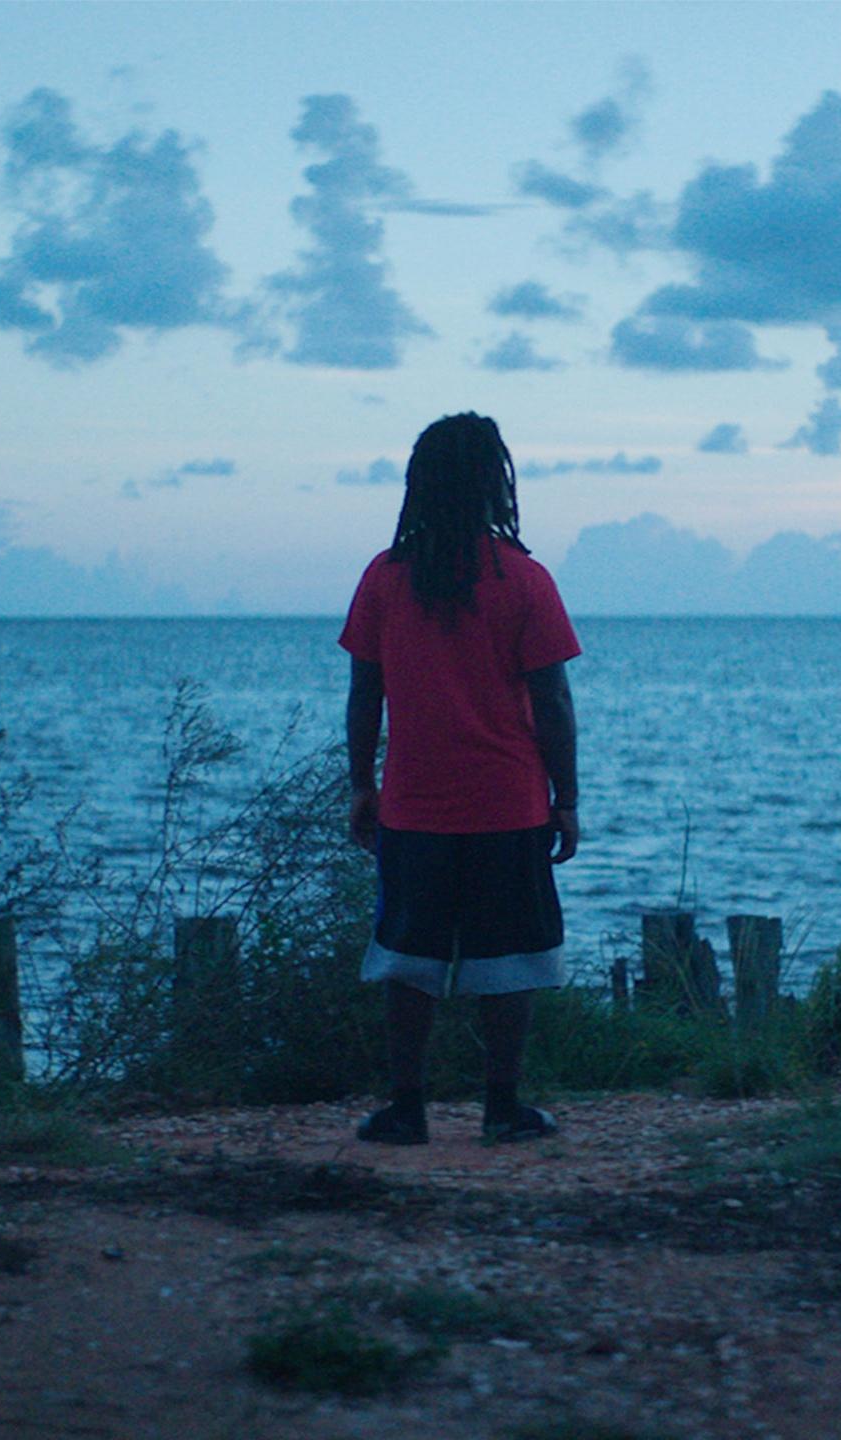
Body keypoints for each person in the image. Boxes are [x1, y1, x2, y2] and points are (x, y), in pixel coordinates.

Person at [338, 411, 581, 1146]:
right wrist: (565, 800)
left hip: (413, 809)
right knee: (508, 960)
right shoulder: (525, 579)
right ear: (493, 483)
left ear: (419, 484)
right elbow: (554, 703)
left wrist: (360, 784)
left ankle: (405, 1108)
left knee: (408, 961)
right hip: (508, 806)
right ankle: (502, 1108)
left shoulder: (385, 577)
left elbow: (363, 695)